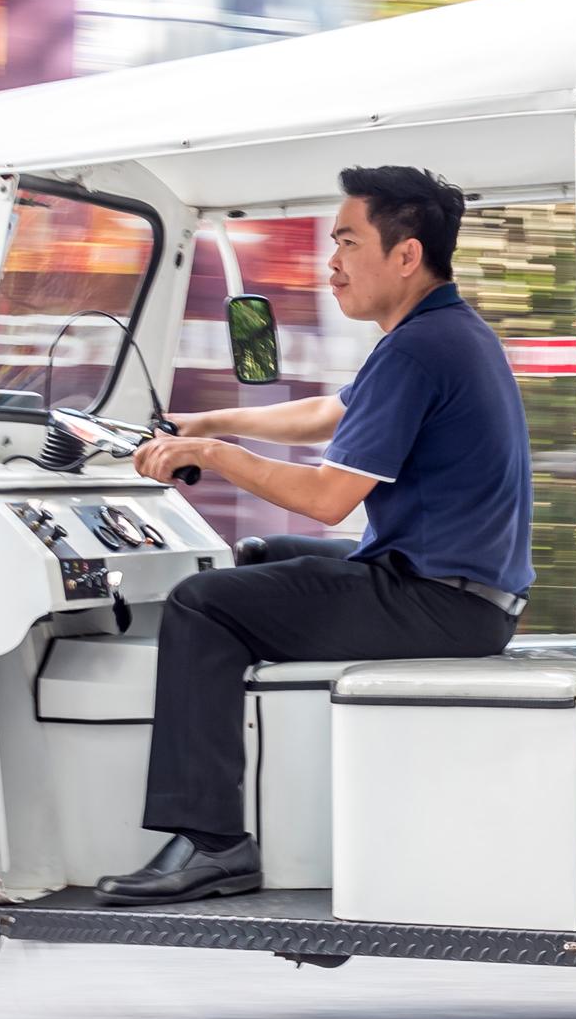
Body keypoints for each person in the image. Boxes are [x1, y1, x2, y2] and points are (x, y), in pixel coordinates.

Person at [96, 165, 532, 903]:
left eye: (346, 242)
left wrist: (216, 456)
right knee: (260, 560)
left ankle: (215, 842)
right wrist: (207, 423)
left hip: (438, 601)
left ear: (405, 255)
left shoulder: (420, 350)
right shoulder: (445, 332)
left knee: (205, 602)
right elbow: (330, 413)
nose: (330, 262)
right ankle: (248, 790)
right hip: (461, 593)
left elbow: (329, 498)